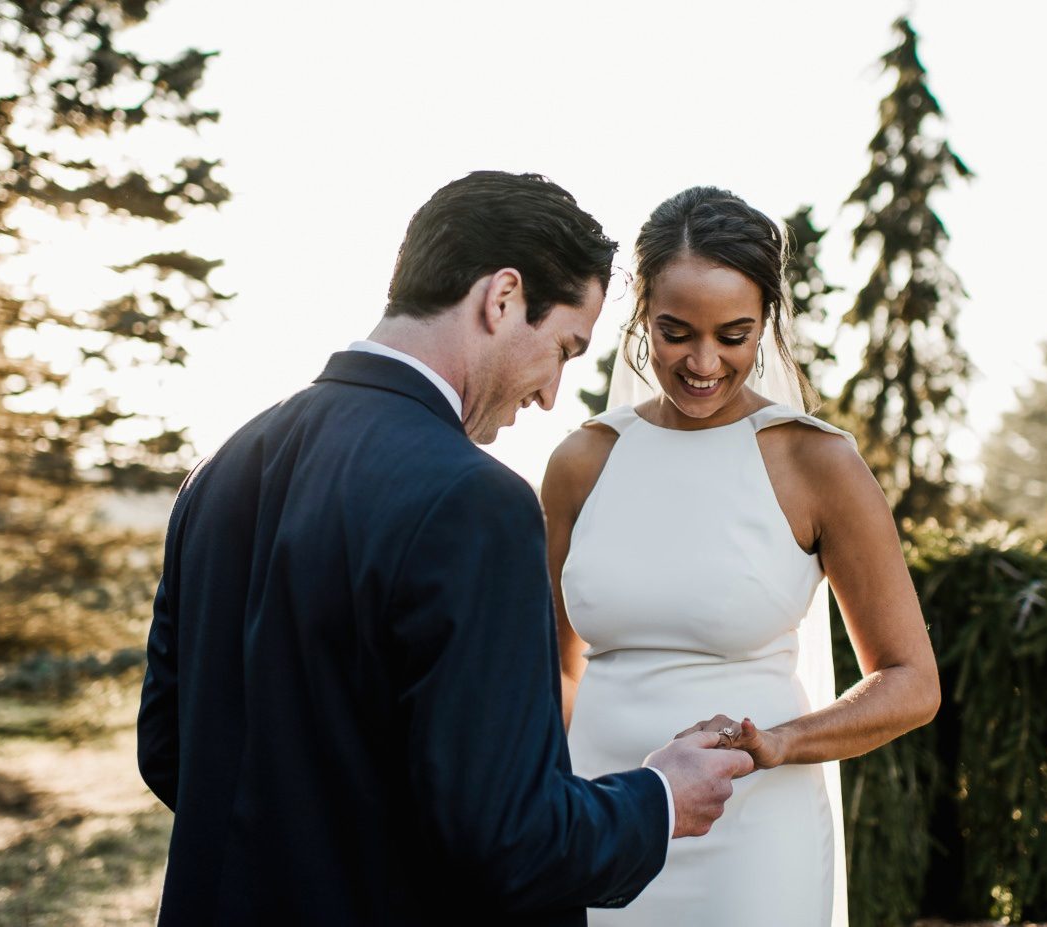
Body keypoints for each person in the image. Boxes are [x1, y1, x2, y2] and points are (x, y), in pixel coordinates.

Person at [136, 171, 754, 926]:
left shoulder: (221, 470)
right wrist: (660, 797)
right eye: (562, 346)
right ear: (500, 298)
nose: (550, 394)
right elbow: (510, 840)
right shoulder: (475, 502)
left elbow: (171, 751)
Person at [542, 186, 942, 927]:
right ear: (641, 321)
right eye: (674, 331)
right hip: (602, 820)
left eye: (733, 334)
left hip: (754, 838)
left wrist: (780, 743)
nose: (702, 362)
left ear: (766, 324)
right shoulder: (581, 461)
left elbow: (910, 682)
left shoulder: (816, 462)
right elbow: (555, 670)